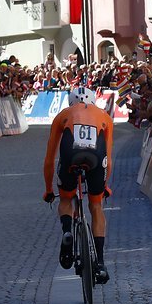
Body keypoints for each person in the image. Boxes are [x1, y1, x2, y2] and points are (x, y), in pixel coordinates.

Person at [43, 86, 114, 284]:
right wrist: (105, 184)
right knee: (96, 206)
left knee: (66, 198)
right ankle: (99, 263)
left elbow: (50, 158)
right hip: (96, 159)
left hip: (70, 157)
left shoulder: (63, 114)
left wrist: (49, 189)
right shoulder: (104, 116)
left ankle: (67, 230)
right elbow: (108, 156)